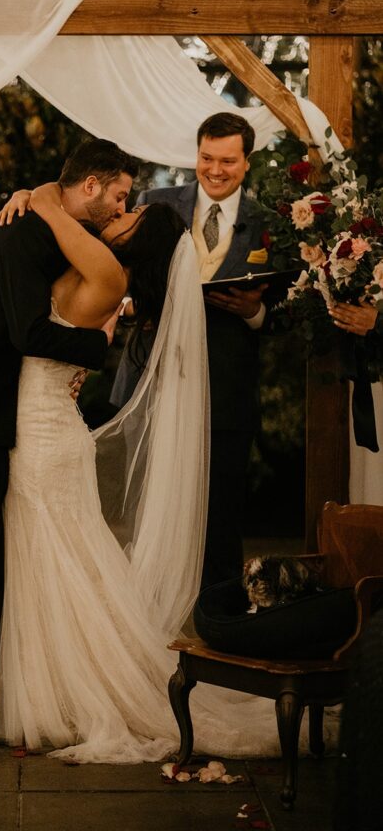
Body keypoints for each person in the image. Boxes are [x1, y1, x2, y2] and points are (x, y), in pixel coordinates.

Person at [0, 183, 285, 763]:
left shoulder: (104, 267)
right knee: (63, 559)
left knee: (55, 558)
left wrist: (32, 192)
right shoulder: (106, 273)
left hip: (43, 432)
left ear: (139, 240)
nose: (121, 214)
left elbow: (52, 206)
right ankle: (59, 685)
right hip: (48, 423)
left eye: (131, 213)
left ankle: (66, 691)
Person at [0, 139, 139, 742]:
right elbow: (27, 332)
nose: (121, 208)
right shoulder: (21, 232)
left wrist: (42, 198)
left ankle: (3, 687)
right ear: (89, 186)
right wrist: (97, 350)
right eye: (118, 195)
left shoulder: (45, 221)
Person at [111, 112, 272, 588]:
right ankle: (147, 611)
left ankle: (218, 624)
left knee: (221, 513)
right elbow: (117, 276)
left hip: (226, 389)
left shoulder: (269, 224)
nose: (215, 170)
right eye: (206, 158)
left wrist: (252, 312)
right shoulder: (152, 204)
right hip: (155, 380)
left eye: (227, 160)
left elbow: (289, 311)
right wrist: (128, 306)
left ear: (246, 162)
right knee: (149, 506)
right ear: (196, 154)